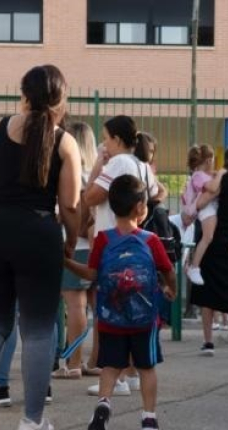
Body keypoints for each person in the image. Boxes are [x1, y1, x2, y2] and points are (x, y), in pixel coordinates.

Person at [0, 64, 81, 430]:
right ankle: (31, 419)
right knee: (39, 329)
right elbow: (71, 205)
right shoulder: (64, 142)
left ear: (22, 94)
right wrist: (71, 240)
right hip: (38, 233)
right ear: (61, 100)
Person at [65, 174, 175, 430]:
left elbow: (91, 275)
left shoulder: (103, 239)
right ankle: (149, 417)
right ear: (140, 207)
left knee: (111, 368)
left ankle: (103, 403)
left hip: (111, 319)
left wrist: (66, 262)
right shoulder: (150, 240)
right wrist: (171, 288)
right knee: (147, 367)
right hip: (144, 320)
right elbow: (168, 271)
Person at [83, 115, 159, 396]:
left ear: (116, 140)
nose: (104, 143)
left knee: (111, 309)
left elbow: (91, 196)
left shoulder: (116, 163)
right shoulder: (141, 165)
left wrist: (97, 167)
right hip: (135, 243)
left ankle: (117, 377)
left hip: (112, 244)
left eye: (105, 138)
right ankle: (133, 372)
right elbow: (157, 191)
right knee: (132, 307)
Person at [189, 145, 228, 359]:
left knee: (207, 293)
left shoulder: (222, 181)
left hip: (212, 241)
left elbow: (203, 201)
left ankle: (208, 342)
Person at [54, 121, 99, 380]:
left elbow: (71, 209)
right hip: (93, 246)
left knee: (75, 304)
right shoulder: (94, 174)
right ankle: (94, 360)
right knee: (95, 304)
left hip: (74, 244)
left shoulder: (73, 173)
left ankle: (73, 361)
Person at [182, 144, 216, 285]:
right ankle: (194, 267)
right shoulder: (198, 176)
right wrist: (220, 175)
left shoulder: (200, 175)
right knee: (207, 237)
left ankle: (192, 265)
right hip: (206, 209)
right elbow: (213, 188)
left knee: (208, 237)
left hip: (206, 209)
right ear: (208, 161)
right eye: (213, 160)